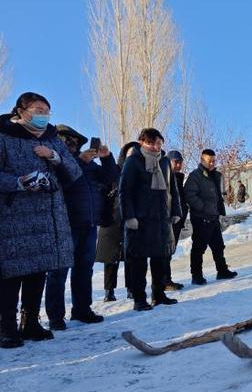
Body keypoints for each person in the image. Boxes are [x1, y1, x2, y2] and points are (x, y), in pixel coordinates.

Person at [0, 92, 82, 348]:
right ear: (21, 111)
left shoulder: (52, 139)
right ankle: (7, 328)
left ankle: (31, 323)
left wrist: (54, 157)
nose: (43, 115)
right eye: (37, 109)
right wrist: (19, 183)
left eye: (47, 110)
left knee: (38, 271)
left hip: (48, 217)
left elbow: (75, 171)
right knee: (12, 275)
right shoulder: (4, 136)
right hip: (14, 217)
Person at [45, 125, 119, 329]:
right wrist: (79, 162)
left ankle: (82, 309)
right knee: (58, 272)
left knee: (84, 269)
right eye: (67, 141)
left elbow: (110, 177)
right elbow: (59, 184)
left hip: (89, 223)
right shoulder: (54, 161)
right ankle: (55, 317)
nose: (72, 145)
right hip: (64, 224)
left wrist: (106, 157)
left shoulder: (89, 165)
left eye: (75, 142)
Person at [119, 128, 182, 310]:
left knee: (160, 260)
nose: (155, 147)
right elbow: (125, 191)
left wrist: (175, 210)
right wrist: (129, 217)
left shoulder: (164, 162)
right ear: (141, 143)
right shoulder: (133, 161)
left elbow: (173, 190)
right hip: (141, 220)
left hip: (162, 219)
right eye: (151, 143)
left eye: (159, 144)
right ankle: (139, 299)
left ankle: (159, 295)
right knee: (139, 263)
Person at [185, 149, 236, 284]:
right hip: (201, 218)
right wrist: (203, 208)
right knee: (199, 248)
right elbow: (189, 195)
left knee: (218, 246)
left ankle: (222, 270)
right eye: (209, 161)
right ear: (202, 160)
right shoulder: (195, 176)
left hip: (213, 217)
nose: (213, 163)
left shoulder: (215, 175)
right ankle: (196, 276)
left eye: (214, 160)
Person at [96, 142, 137, 302]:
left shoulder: (138, 172)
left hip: (131, 218)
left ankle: (132, 288)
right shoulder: (114, 171)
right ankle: (109, 290)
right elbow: (102, 190)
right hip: (112, 218)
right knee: (110, 258)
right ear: (124, 154)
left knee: (131, 256)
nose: (133, 156)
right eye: (130, 153)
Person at [164, 150, 188, 290]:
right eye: (175, 162)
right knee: (165, 252)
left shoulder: (178, 178)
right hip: (169, 221)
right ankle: (164, 281)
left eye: (180, 162)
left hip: (178, 220)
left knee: (170, 251)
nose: (178, 165)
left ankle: (167, 279)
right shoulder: (167, 177)